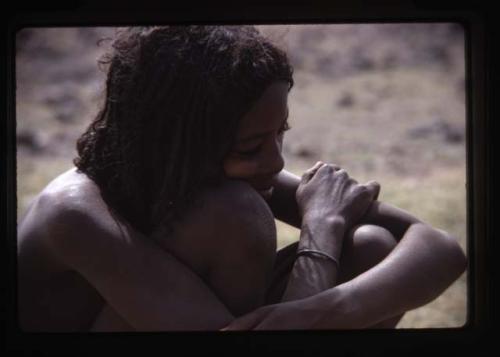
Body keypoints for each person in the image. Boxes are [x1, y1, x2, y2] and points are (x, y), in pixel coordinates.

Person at [17, 26, 467, 331]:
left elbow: (441, 249)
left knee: (370, 247)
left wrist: (319, 310)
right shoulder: (74, 214)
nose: (275, 163)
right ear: (175, 143)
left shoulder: (207, 172)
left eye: (280, 134)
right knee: (235, 216)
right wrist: (321, 231)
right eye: (250, 147)